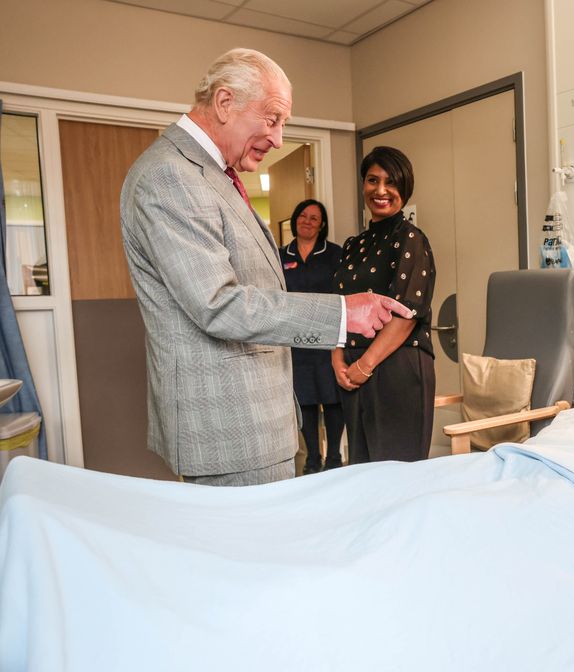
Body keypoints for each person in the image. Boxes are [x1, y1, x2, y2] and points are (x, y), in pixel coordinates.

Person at [120, 48, 410, 486]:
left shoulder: (214, 177)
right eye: (273, 119)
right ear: (224, 103)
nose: (277, 139)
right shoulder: (171, 176)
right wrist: (341, 313)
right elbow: (217, 304)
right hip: (229, 428)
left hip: (258, 419)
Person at [332, 146, 436, 463]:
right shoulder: (353, 245)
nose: (380, 191)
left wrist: (365, 365)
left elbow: (406, 315)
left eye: (391, 182)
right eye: (372, 180)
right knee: (361, 469)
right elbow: (340, 308)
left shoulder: (411, 239)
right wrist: (337, 358)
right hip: (352, 369)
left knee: (395, 472)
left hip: (396, 365)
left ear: (404, 188)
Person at [280, 200, 344, 474]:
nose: (307, 221)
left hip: (328, 335)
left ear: (322, 225)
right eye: (303, 216)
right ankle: (313, 458)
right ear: (295, 220)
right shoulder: (280, 255)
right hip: (296, 338)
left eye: (314, 218)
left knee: (332, 397)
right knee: (304, 398)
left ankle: (333, 458)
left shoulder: (335, 254)